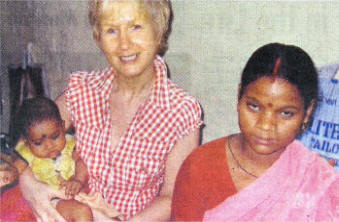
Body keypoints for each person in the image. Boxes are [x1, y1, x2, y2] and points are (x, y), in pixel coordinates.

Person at [19, 0, 202, 221]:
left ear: (158, 30)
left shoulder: (181, 112)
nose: (124, 44)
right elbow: (27, 138)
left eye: (136, 26)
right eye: (111, 30)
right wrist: (29, 185)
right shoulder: (83, 90)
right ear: (99, 38)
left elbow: (171, 197)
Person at [171, 43, 339, 221]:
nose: (266, 125)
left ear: (307, 112)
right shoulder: (201, 166)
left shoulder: (318, 181)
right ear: (239, 96)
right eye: (254, 106)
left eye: (286, 113)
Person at [9, 97, 93, 222]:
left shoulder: (70, 144)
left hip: (74, 193)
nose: (49, 146)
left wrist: (78, 180)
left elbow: (80, 162)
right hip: (49, 199)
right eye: (38, 143)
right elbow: (14, 171)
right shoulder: (27, 153)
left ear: (63, 126)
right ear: (27, 142)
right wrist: (8, 174)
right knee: (82, 212)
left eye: (55, 136)